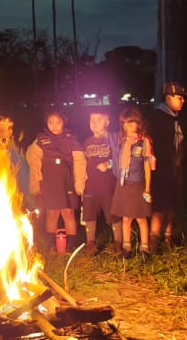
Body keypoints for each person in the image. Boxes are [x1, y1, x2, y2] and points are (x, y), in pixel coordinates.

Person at [25, 110, 86, 254]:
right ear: (46, 123)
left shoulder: (72, 139)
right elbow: (33, 162)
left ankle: (70, 245)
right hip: (49, 180)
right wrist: (35, 184)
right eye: (50, 122)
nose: (54, 126)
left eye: (58, 122)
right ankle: (50, 245)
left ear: (64, 122)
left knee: (68, 213)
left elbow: (80, 162)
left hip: (66, 179)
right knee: (51, 213)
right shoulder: (41, 140)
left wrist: (80, 184)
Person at [145, 81, 187, 251]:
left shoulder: (180, 117)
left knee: (172, 202)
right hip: (161, 168)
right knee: (159, 204)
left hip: (175, 168)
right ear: (168, 98)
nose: (183, 100)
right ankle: (153, 238)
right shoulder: (156, 118)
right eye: (179, 97)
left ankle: (167, 235)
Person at [111, 106, 154, 257]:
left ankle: (144, 248)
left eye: (130, 123)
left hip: (137, 184)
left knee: (141, 217)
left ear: (138, 123)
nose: (127, 126)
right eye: (124, 123)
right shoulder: (123, 141)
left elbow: (147, 166)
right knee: (126, 218)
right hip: (123, 184)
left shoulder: (144, 142)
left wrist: (147, 188)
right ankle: (127, 247)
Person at [80, 109, 120, 253]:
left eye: (98, 120)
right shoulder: (87, 142)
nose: (94, 123)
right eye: (92, 120)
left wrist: (109, 164)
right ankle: (90, 243)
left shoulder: (114, 139)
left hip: (108, 187)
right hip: (90, 187)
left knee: (113, 215)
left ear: (107, 122)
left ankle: (118, 242)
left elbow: (122, 158)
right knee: (89, 215)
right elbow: (81, 162)